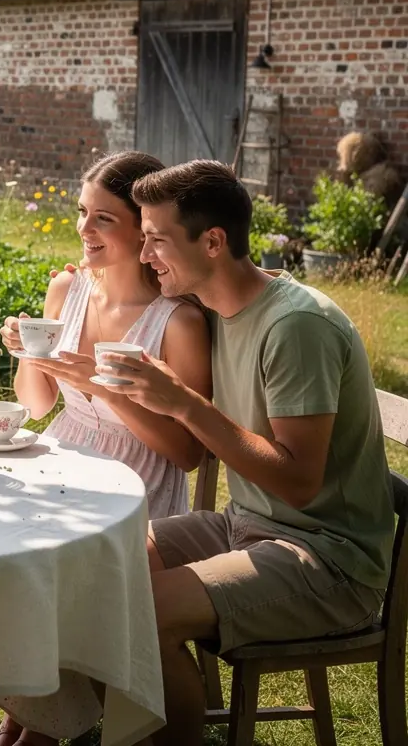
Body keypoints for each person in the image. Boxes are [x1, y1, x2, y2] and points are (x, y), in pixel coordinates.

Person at [103, 159, 394, 746]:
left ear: (212, 241)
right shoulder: (224, 302)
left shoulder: (298, 328)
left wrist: (184, 403)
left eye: (156, 239)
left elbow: (299, 483)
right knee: (101, 565)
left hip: (328, 558)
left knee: (132, 613)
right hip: (248, 525)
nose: (144, 254)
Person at [0, 151, 212, 746]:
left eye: (103, 219)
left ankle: (35, 732)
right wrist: (28, 351)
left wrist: (98, 386)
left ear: (144, 230)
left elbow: (187, 453)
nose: (84, 230)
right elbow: (36, 406)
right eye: (82, 213)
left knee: (56, 567)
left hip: (139, 489)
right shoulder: (66, 288)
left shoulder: (176, 322)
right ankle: (27, 718)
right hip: (63, 464)